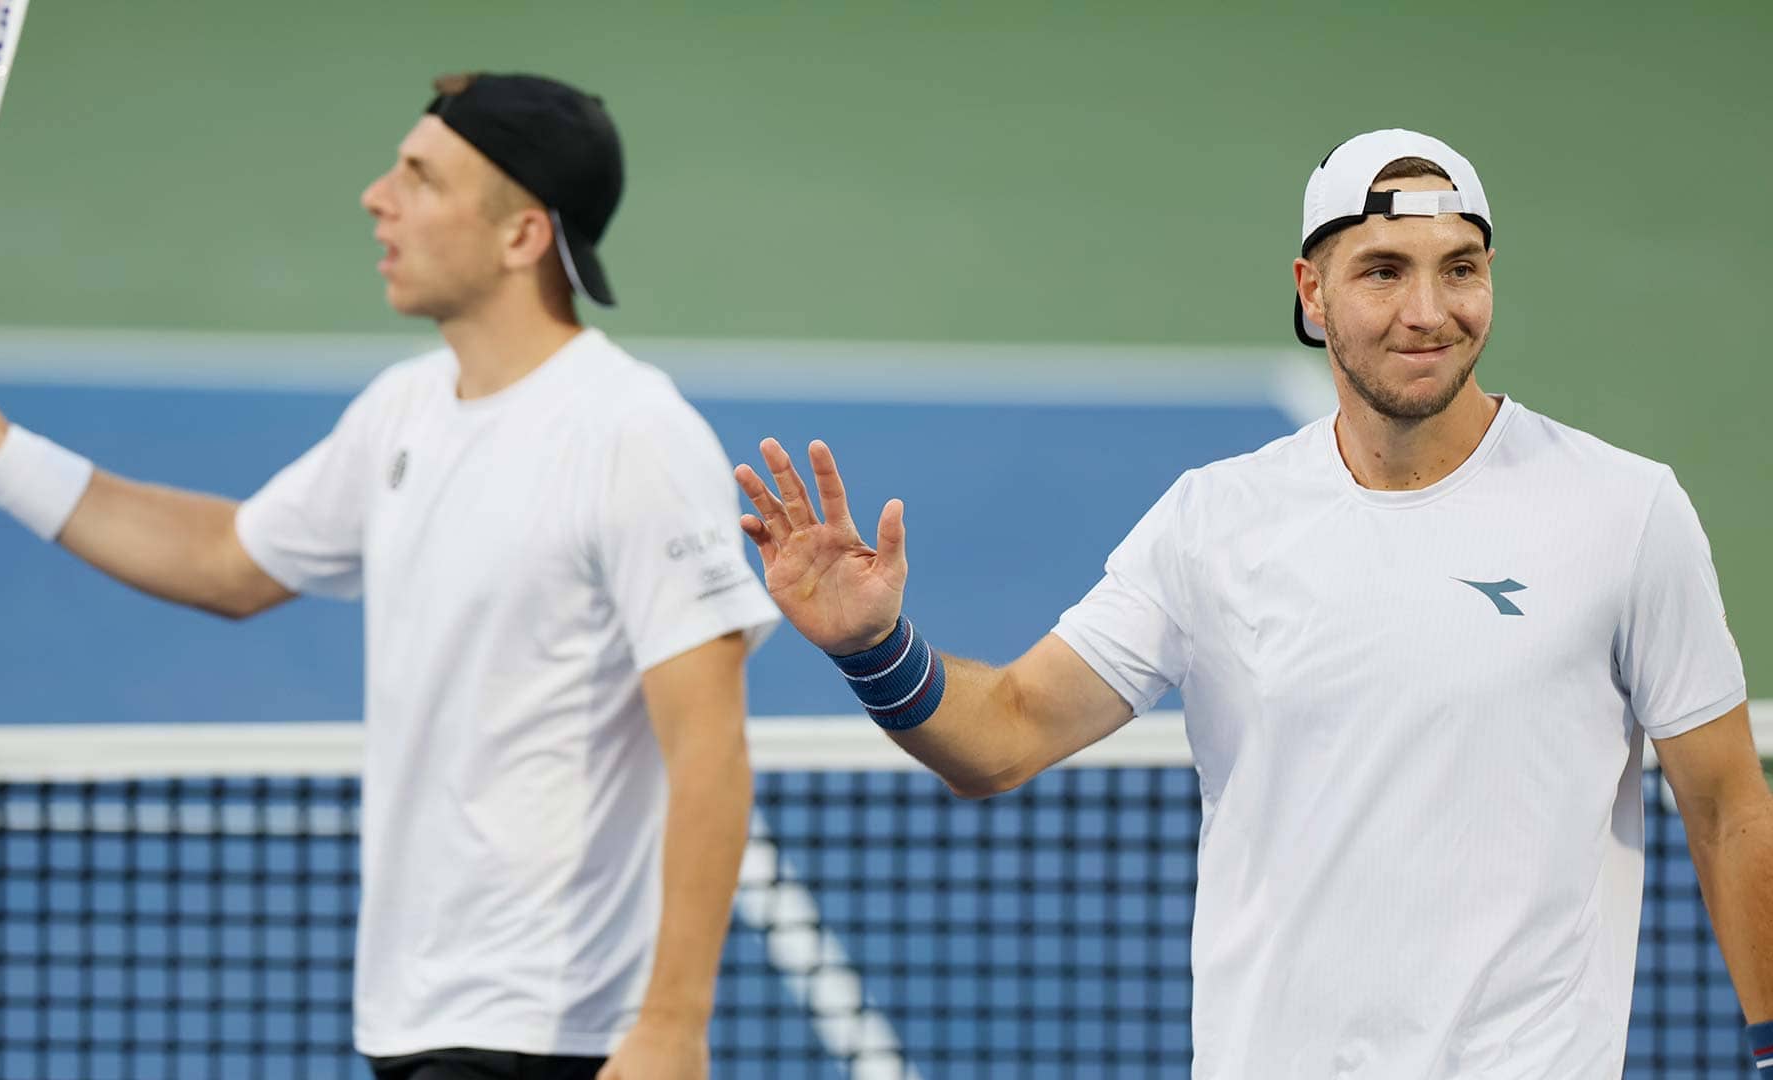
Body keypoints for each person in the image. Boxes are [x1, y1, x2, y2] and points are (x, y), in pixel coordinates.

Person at [731, 128, 1772, 1077]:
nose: (1429, 310)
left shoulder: (1624, 512)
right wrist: (876, 647)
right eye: (1383, 271)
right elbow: (1002, 735)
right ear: (1312, 294)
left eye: (1461, 269)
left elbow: (1728, 809)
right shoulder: (1213, 525)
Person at [0, 72, 779, 1080]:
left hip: (546, 1031)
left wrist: (670, 1028)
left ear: (522, 236)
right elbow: (228, 561)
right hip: (412, 1014)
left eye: (420, 177)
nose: (375, 195)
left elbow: (710, 749)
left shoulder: (632, 435)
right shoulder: (405, 410)